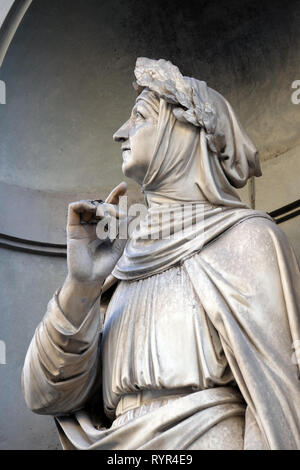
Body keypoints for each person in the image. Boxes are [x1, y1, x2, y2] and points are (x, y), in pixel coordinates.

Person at [22, 58, 300, 450]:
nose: (121, 133)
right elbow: (44, 395)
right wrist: (82, 284)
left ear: (183, 131)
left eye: (139, 117)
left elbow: (276, 400)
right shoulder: (121, 261)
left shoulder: (247, 239)